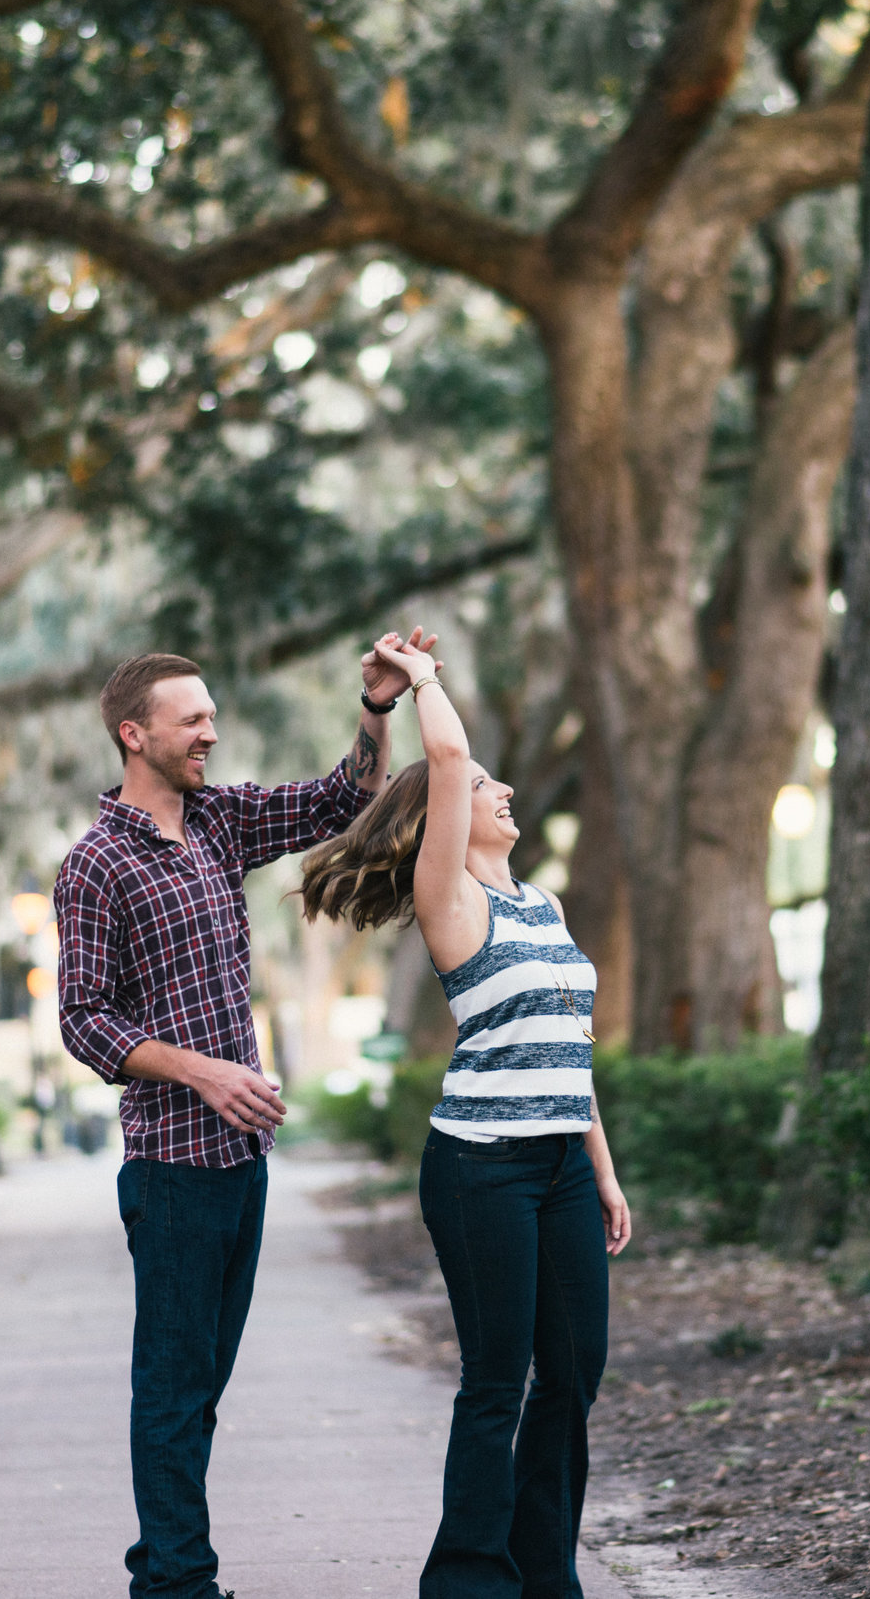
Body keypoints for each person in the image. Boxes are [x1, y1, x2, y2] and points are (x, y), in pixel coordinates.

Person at [56, 639, 427, 1599]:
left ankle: (166, 1562)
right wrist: (202, 1073)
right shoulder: (95, 865)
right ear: (134, 735)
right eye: (192, 719)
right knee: (173, 1389)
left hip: (243, 1159)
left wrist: (375, 707)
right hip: (174, 1168)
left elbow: (338, 800)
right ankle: (176, 1582)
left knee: (200, 1388)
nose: (211, 731)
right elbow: (85, 1020)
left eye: (212, 715)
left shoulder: (217, 822)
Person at [299, 631, 632, 1599]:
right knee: (496, 1380)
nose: (502, 792)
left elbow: (572, 1050)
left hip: (561, 1166)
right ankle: (466, 1580)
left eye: (498, 784)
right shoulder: (450, 901)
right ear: (446, 815)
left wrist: (600, 1170)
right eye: (487, 786)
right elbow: (444, 756)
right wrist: (423, 682)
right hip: (480, 1165)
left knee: (572, 1374)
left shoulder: (542, 907)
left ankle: (545, 1572)